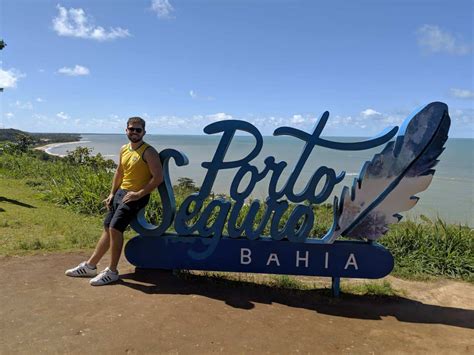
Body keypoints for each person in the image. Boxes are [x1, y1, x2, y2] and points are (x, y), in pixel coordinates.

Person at [65, 117, 163, 286]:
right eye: (131, 129)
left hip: (135, 196)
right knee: (107, 228)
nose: (134, 132)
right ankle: (90, 266)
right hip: (120, 193)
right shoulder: (124, 149)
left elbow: (158, 178)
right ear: (126, 130)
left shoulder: (149, 152)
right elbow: (119, 171)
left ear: (144, 132)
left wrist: (139, 194)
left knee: (115, 229)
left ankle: (112, 271)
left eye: (138, 130)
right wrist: (112, 193)